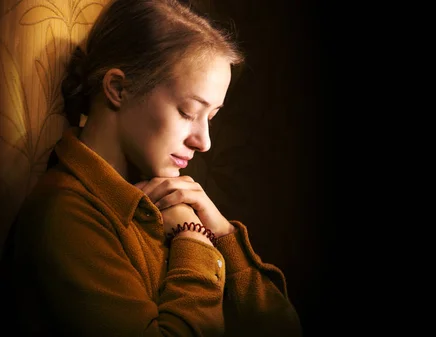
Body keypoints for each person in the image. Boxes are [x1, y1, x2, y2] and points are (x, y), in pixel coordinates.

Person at [0, 0, 303, 336]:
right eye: (188, 112)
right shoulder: (66, 218)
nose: (204, 142)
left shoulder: (164, 199)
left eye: (211, 118)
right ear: (118, 88)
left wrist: (222, 233)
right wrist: (194, 238)